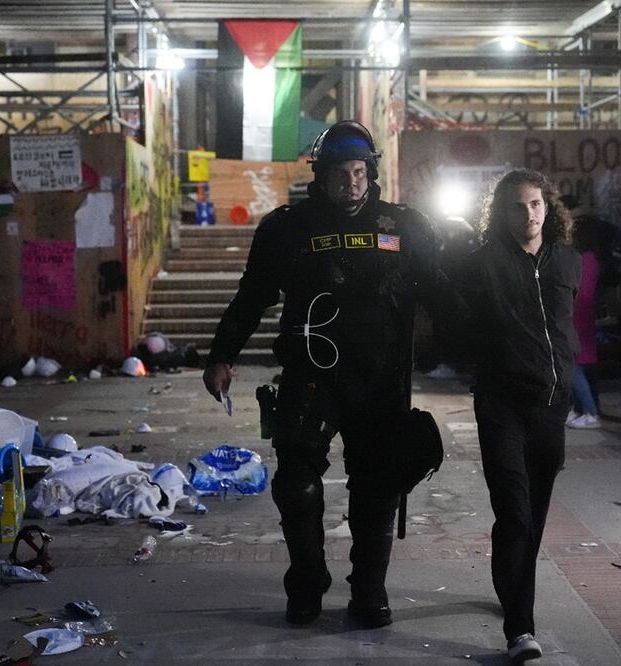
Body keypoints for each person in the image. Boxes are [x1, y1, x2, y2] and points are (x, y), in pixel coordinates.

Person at [202, 120, 456, 628]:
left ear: (372, 172)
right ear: (321, 175)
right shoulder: (286, 229)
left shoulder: (405, 226)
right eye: (341, 172)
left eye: (360, 171)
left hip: (381, 381)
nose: (352, 182)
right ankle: (307, 584)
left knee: (378, 487)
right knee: (296, 485)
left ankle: (369, 590)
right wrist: (222, 354)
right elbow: (253, 295)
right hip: (310, 378)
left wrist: (476, 348)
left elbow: (442, 295)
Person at [460, 169, 580, 663]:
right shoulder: (481, 262)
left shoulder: (568, 261)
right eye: (516, 206)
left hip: (551, 406)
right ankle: (520, 627)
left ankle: (511, 587)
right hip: (501, 404)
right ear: (500, 212)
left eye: (535, 205)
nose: (527, 215)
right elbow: (453, 318)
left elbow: (564, 327)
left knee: (532, 518)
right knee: (513, 510)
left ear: (548, 208)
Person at [567, 217, 603, 429]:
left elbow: (584, 293)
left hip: (577, 316)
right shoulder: (589, 258)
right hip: (581, 316)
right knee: (582, 365)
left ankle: (589, 410)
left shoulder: (586, 260)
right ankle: (583, 408)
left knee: (574, 365)